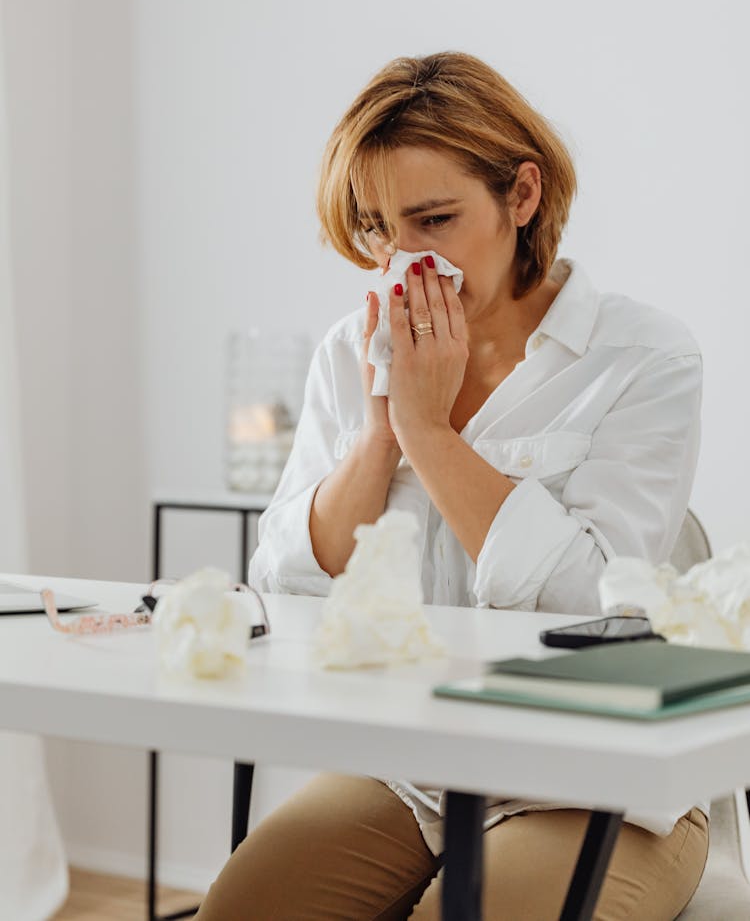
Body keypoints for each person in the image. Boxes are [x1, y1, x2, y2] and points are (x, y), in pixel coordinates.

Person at [196, 52, 708, 920]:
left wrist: (431, 435)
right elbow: (288, 585)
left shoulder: (643, 358)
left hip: (598, 776)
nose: (402, 263)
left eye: (433, 219)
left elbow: (600, 604)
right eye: (377, 229)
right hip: (414, 768)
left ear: (522, 196)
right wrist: (380, 433)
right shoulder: (347, 353)